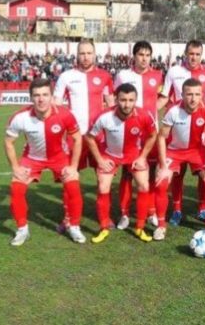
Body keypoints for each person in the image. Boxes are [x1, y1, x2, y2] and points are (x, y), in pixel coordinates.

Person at [3, 78, 85, 246]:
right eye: (37, 95)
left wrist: (73, 166)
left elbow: (77, 139)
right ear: (31, 98)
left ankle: (74, 226)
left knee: (73, 186)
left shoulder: (65, 114)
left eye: (45, 95)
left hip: (59, 157)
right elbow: (8, 142)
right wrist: (15, 167)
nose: (41, 99)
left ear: (51, 97)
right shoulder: (20, 117)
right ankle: (22, 230)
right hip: (32, 158)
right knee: (16, 188)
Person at [158, 40, 205, 225]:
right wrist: (147, 111)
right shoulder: (174, 71)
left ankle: (203, 208)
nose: (194, 57)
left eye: (197, 54)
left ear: (201, 55)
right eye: (191, 54)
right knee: (177, 175)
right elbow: (164, 97)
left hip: (198, 135)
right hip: (176, 130)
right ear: (185, 54)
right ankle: (177, 210)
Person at [54, 40, 114, 233]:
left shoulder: (105, 76)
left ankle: (105, 218)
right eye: (82, 53)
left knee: (103, 177)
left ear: (95, 54)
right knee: (70, 177)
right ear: (76, 55)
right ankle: (68, 218)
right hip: (74, 137)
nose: (86, 57)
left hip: (98, 137)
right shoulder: (66, 77)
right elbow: (56, 107)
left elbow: (111, 106)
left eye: (89, 53)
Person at [85, 83, 157, 243]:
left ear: (136, 100)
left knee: (144, 185)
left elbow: (153, 135)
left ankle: (139, 227)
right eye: (123, 100)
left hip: (134, 155)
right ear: (116, 99)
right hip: (110, 155)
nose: (127, 104)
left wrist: (142, 157)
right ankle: (104, 228)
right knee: (103, 186)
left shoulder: (144, 115)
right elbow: (89, 137)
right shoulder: (104, 116)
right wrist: (100, 160)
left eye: (131, 100)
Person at [153, 78, 205, 240]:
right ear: (182, 95)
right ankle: (162, 225)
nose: (193, 98)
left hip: (197, 151)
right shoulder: (173, 110)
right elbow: (161, 137)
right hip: (174, 151)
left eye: (197, 94)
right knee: (161, 183)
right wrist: (163, 166)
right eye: (189, 94)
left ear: (202, 95)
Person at [112, 41, 164, 230]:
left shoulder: (158, 75)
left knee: (151, 172)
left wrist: (152, 112)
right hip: (129, 132)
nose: (144, 59)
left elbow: (163, 97)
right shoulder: (123, 75)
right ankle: (125, 214)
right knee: (127, 173)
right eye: (141, 55)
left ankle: (150, 211)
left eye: (147, 55)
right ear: (134, 56)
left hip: (150, 132)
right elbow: (114, 99)